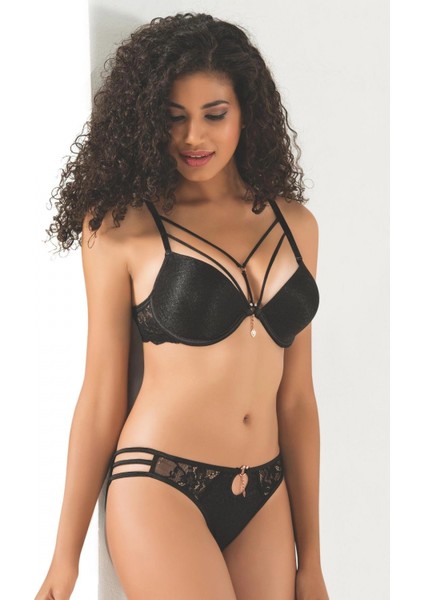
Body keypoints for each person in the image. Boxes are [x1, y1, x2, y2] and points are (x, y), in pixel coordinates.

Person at [35, 12, 329, 600]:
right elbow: (100, 395)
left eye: (214, 115)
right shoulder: (120, 228)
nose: (194, 137)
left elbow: (296, 398)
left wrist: (312, 559)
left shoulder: (296, 225)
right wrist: (64, 562)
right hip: (160, 484)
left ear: (246, 113)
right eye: (174, 118)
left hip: (264, 491)